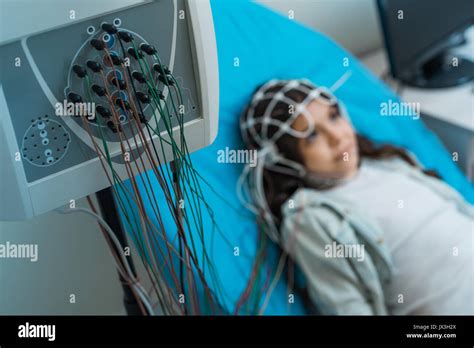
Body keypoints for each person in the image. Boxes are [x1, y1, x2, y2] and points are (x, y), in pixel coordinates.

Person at [238, 79, 474, 315]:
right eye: (311, 136)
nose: (336, 136)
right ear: (282, 159)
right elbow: (347, 305)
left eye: (333, 117)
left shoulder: (389, 162)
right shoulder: (313, 218)